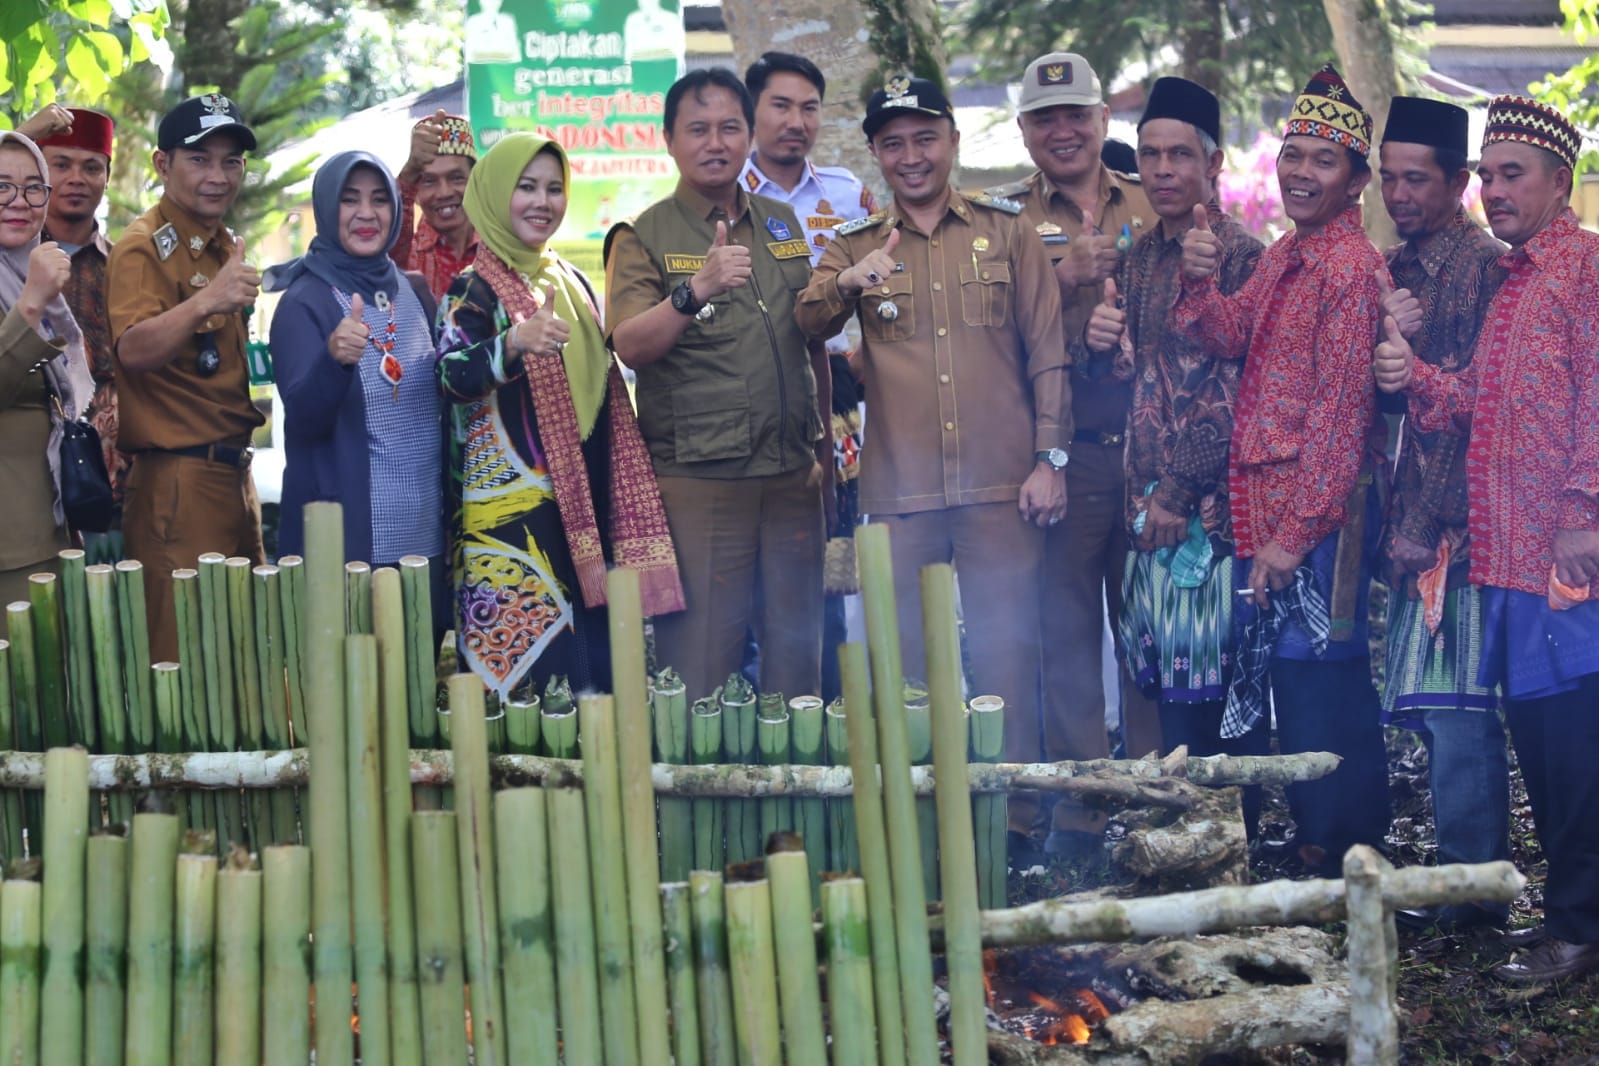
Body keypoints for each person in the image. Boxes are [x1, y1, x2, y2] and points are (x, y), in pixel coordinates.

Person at [796, 75, 1067, 847]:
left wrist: (1050, 458)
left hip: (1001, 485)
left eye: (924, 138)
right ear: (876, 153)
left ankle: (1014, 821)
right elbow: (804, 321)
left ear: (950, 141)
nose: (910, 156)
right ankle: (920, 819)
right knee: (907, 666)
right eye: (893, 143)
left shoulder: (1006, 231)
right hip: (903, 494)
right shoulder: (854, 246)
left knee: (1007, 653)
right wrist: (847, 284)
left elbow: (1047, 354)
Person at [1375, 96, 1599, 984]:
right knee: (1541, 746)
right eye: (1489, 175)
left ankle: (1577, 930)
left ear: (1559, 183)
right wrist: (1418, 376)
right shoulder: (1514, 279)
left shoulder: (1583, 269)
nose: (1495, 191)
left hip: (1559, 561)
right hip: (1502, 561)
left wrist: (1584, 509)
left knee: (1572, 749)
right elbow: (1481, 400)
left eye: (1515, 176)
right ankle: (1574, 921)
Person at [1176, 65, 1390, 877]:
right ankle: (1319, 842)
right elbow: (1229, 332)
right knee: (1292, 681)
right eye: (1291, 154)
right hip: (1266, 510)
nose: (1300, 172)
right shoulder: (1287, 255)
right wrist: (1200, 275)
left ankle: (1348, 852)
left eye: (1322, 160)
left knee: (1322, 682)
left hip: (1316, 522)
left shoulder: (1347, 272)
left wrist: (1291, 542)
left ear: (1355, 179)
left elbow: (1340, 428)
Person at [985, 51, 1160, 858]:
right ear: (1023, 132)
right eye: (1044, 119)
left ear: (1101, 122)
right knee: (1065, 632)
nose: (1062, 131)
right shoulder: (1004, 221)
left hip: (1156, 456)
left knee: (1151, 631)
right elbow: (993, 338)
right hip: (1071, 455)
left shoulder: (1155, 197)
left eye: (1076, 115)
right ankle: (1085, 805)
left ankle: (1158, 796)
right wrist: (1060, 280)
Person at [604, 68, 826, 703]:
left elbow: (811, 344)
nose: (715, 142)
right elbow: (629, 345)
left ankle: (790, 798)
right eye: (697, 129)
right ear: (668, 139)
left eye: (730, 127)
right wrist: (694, 289)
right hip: (702, 483)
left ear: (750, 134)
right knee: (700, 667)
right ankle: (697, 799)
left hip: (790, 480)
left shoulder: (782, 223)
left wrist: (822, 464)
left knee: (796, 664)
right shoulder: (644, 234)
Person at [1083, 78, 1268, 830]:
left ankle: (1232, 838)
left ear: (1214, 162)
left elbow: (1234, 393)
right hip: (1147, 509)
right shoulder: (1139, 258)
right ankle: (1188, 836)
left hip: (1208, 515)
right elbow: (1137, 379)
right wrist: (1100, 351)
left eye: (1179, 155)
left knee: (1218, 686)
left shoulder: (1244, 257)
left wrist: (1177, 493)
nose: (1161, 170)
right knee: (1166, 681)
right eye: (1150, 154)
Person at [439, 133, 683, 698]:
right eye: (525, 188)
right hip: (510, 527)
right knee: (531, 685)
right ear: (496, 195)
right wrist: (513, 343)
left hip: (584, 505)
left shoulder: (568, 282)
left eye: (554, 188)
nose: (541, 202)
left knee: (594, 670)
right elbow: (448, 376)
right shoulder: (470, 292)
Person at [1370, 97, 1511, 934]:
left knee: (1459, 712)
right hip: (1412, 521)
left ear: (1457, 182)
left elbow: (1471, 414)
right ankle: (1462, 877)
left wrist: (1422, 524)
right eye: (1387, 178)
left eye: (1415, 179)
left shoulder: (1482, 266)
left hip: (1458, 527)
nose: (1398, 193)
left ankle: (1472, 895)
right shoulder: (1396, 267)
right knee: (1433, 705)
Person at [739, 50, 877, 702]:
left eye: (808, 107)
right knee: (775, 565)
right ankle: (778, 708)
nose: (796, 121)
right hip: (761, 401)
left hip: (846, 401)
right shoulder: (727, 196)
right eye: (780, 105)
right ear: (751, 111)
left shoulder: (848, 195)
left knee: (842, 561)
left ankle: (844, 705)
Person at [108, 94, 265, 664]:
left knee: (244, 658)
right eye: (199, 159)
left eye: (231, 162)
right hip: (177, 482)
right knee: (184, 665)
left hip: (232, 476)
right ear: (160, 164)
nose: (218, 176)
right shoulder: (142, 247)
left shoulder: (222, 245)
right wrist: (209, 302)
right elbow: (134, 349)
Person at [265, 151, 444, 580]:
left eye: (380, 200)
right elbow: (304, 421)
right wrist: (334, 360)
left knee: (419, 646)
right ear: (328, 208)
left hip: (426, 536)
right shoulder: (304, 302)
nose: (367, 213)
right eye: (350, 200)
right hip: (350, 544)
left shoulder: (415, 290)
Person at [0, 131, 93, 631]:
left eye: (35, 188)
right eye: (2, 187)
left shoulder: (28, 272)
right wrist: (31, 302)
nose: (20, 202)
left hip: (53, 525)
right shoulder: (34, 286)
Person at [21, 105, 127, 541]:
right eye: (60, 164)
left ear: (107, 174)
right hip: (27, 483)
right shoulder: (12, 261)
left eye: (92, 167)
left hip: (117, 489)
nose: (77, 179)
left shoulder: (127, 264)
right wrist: (26, 132)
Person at [393, 110, 479, 301]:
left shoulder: (501, 250)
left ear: (476, 182)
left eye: (456, 178)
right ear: (414, 193)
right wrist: (410, 171)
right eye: (429, 181)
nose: (444, 193)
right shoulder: (405, 257)